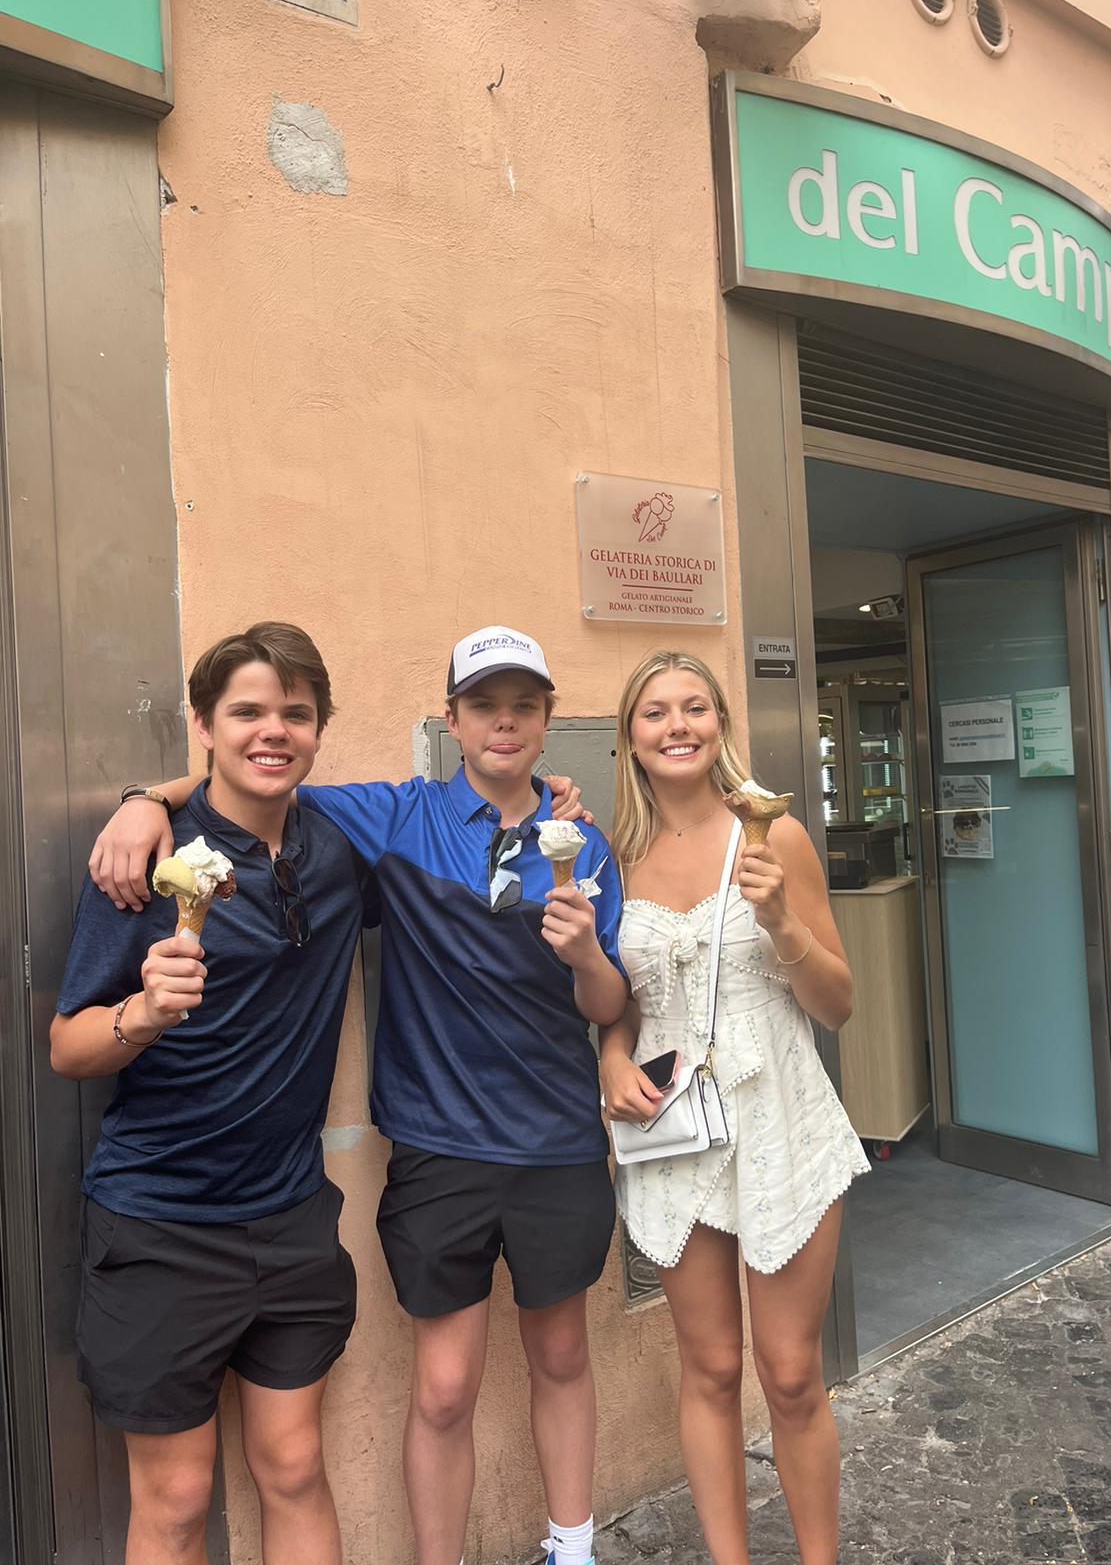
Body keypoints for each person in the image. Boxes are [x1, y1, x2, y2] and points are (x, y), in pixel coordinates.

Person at [88, 625, 625, 1565]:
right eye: (483, 705)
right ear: (450, 718)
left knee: (562, 1355)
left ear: (548, 720)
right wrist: (144, 800)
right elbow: (254, 786)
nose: (504, 722)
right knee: (444, 1386)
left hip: (556, 1142)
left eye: (525, 706)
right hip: (433, 1150)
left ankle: (571, 1548)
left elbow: (612, 999)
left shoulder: (581, 844)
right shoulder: (388, 818)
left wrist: (583, 952)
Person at [52, 622, 376, 1565]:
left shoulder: (338, 844)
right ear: (202, 720)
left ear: (318, 729)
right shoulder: (143, 868)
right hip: (159, 1225)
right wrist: (144, 1015)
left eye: (295, 713)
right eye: (246, 711)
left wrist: (558, 792)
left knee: (294, 1466)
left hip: (290, 1217)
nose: (272, 731)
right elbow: (69, 1048)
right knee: (178, 1498)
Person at [598, 650, 869, 1565]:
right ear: (630, 739)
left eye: (695, 708)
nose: (677, 725)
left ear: (719, 724)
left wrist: (784, 922)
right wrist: (607, 1056)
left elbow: (836, 1003)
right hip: (675, 1121)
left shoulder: (774, 837)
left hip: (781, 1108)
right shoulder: (614, 851)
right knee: (709, 1367)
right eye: (654, 712)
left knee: (790, 1373)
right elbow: (619, 1003)